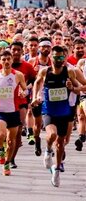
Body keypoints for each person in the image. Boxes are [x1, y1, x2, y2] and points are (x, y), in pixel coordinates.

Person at [32, 45, 78, 187]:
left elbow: (79, 89)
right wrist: (35, 96)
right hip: (49, 111)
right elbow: (37, 83)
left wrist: (72, 88)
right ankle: (47, 149)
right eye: (56, 57)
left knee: (61, 143)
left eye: (61, 57)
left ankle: (57, 168)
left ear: (64, 58)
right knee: (52, 135)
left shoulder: (69, 72)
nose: (58, 60)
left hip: (64, 112)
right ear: (51, 57)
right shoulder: (45, 71)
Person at [0, 50, 27, 176]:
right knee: (1, 135)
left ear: (12, 60)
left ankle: (7, 163)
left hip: (13, 111)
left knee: (11, 141)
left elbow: (26, 90)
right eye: (3, 59)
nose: (6, 62)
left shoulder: (18, 75)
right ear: (0, 61)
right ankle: (0, 149)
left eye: (8, 59)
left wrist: (23, 92)